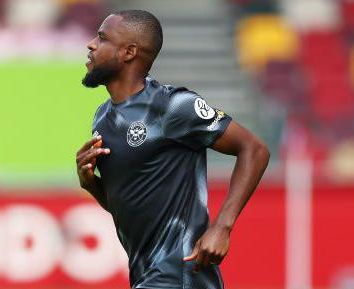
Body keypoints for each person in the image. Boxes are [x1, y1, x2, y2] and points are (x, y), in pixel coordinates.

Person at [76, 10, 270, 289]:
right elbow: (133, 207)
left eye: (102, 38)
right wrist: (91, 184)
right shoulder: (103, 118)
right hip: (147, 274)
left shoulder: (172, 106)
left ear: (129, 52)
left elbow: (254, 149)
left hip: (181, 273)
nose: (91, 44)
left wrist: (222, 227)